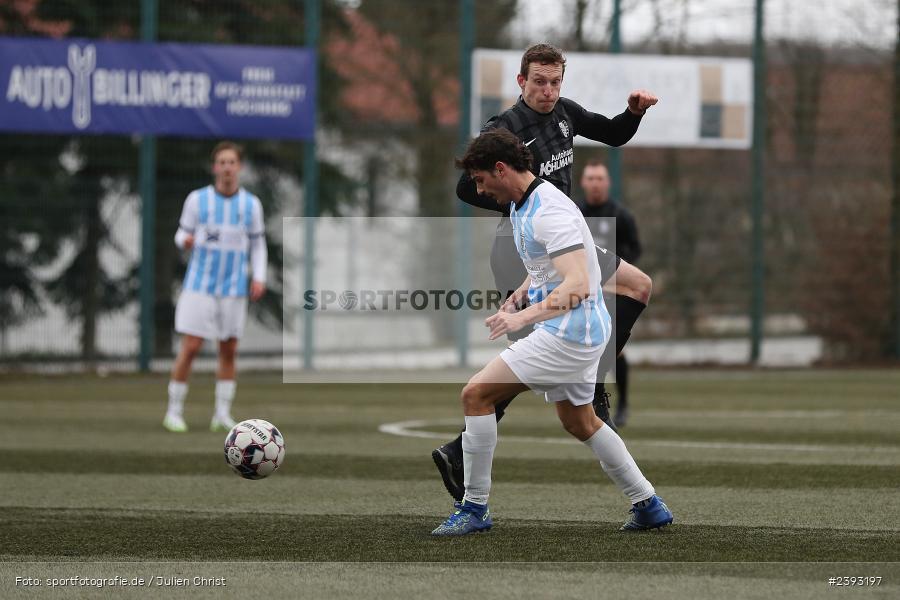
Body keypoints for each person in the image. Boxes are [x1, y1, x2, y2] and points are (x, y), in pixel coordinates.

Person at [432, 42, 656, 501]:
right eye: (539, 81)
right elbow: (465, 186)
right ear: (521, 81)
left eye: (555, 81)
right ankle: (466, 450)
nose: (548, 90)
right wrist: (522, 203)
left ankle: (590, 383)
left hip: (561, 239)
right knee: (530, 360)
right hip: (527, 248)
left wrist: (633, 114)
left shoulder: (565, 115)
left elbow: (613, 135)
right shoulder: (505, 128)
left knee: (637, 287)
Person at [163, 141, 267, 433]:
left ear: (239, 168)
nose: (227, 168)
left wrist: (258, 277)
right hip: (200, 285)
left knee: (229, 348)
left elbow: (258, 244)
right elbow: (182, 233)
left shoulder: (251, 205)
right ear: (214, 167)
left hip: (233, 288)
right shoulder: (198, 200)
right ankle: (174, 410)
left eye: (231, 162)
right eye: (221, 162)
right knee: (192, 346)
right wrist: (184, 241)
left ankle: (221, 413)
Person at [578, 159, 642, 427]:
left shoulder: (622, 215)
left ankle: (620, 402)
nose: (595, 184)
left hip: (611, 292)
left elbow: (635, 250)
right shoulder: (574, 213)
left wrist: (613, 276)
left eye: (600, 179)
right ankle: (582, 401)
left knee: (614, 349)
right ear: (583, 182)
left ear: (608, 182)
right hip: (580, 292)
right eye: (590, 178)